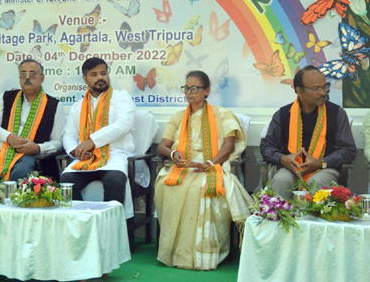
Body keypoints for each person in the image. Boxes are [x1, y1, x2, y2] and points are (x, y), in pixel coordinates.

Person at [154, 70, 252, 270]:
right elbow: (163, 146)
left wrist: (210, 163)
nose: (189, 93)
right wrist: (173, 155)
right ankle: (174, 252)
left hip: (213, 165)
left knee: (199, 189)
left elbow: (229, 145)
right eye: (186, 88)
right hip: (183, 166)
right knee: (167, 185)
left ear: (206, 91)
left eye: (194, 88)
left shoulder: (222, 113)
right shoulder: (179, 116)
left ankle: (202, 255)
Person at [0, 59, 65, 183]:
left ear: (42, 78)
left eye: (32, 74)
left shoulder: (54, 105)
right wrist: (9, 137)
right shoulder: (6, 97)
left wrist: (38, 148)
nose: (27, 77)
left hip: (29, 156)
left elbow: (58, 142)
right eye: (23, 74)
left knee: (20, 176)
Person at [261, 65, 356, 198]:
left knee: (316, 182)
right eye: (316, 89)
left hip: (324, 169)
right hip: (290, 169)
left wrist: (321, 162)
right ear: (299, 90)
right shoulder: (283, 114)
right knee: (281, 180)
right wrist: (283, 159)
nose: (323, 92)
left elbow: (348, 150)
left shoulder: (337, 113)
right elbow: (267, 147)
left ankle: (314, 219)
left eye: (324, 87)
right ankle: (278, 217)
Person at [60, 57, 135, 205]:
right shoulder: (78, 106)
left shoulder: (121, 98)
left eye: (103, 73)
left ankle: (111, 226)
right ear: (85, 79)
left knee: (114, 179)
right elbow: (69, 135)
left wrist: (92, 141)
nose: (100, 77)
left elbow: (123, 125)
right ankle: (80, 223)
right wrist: (76, 151)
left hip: (114, 156)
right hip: (86, 159)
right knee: (66, 181)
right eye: (94, 75)